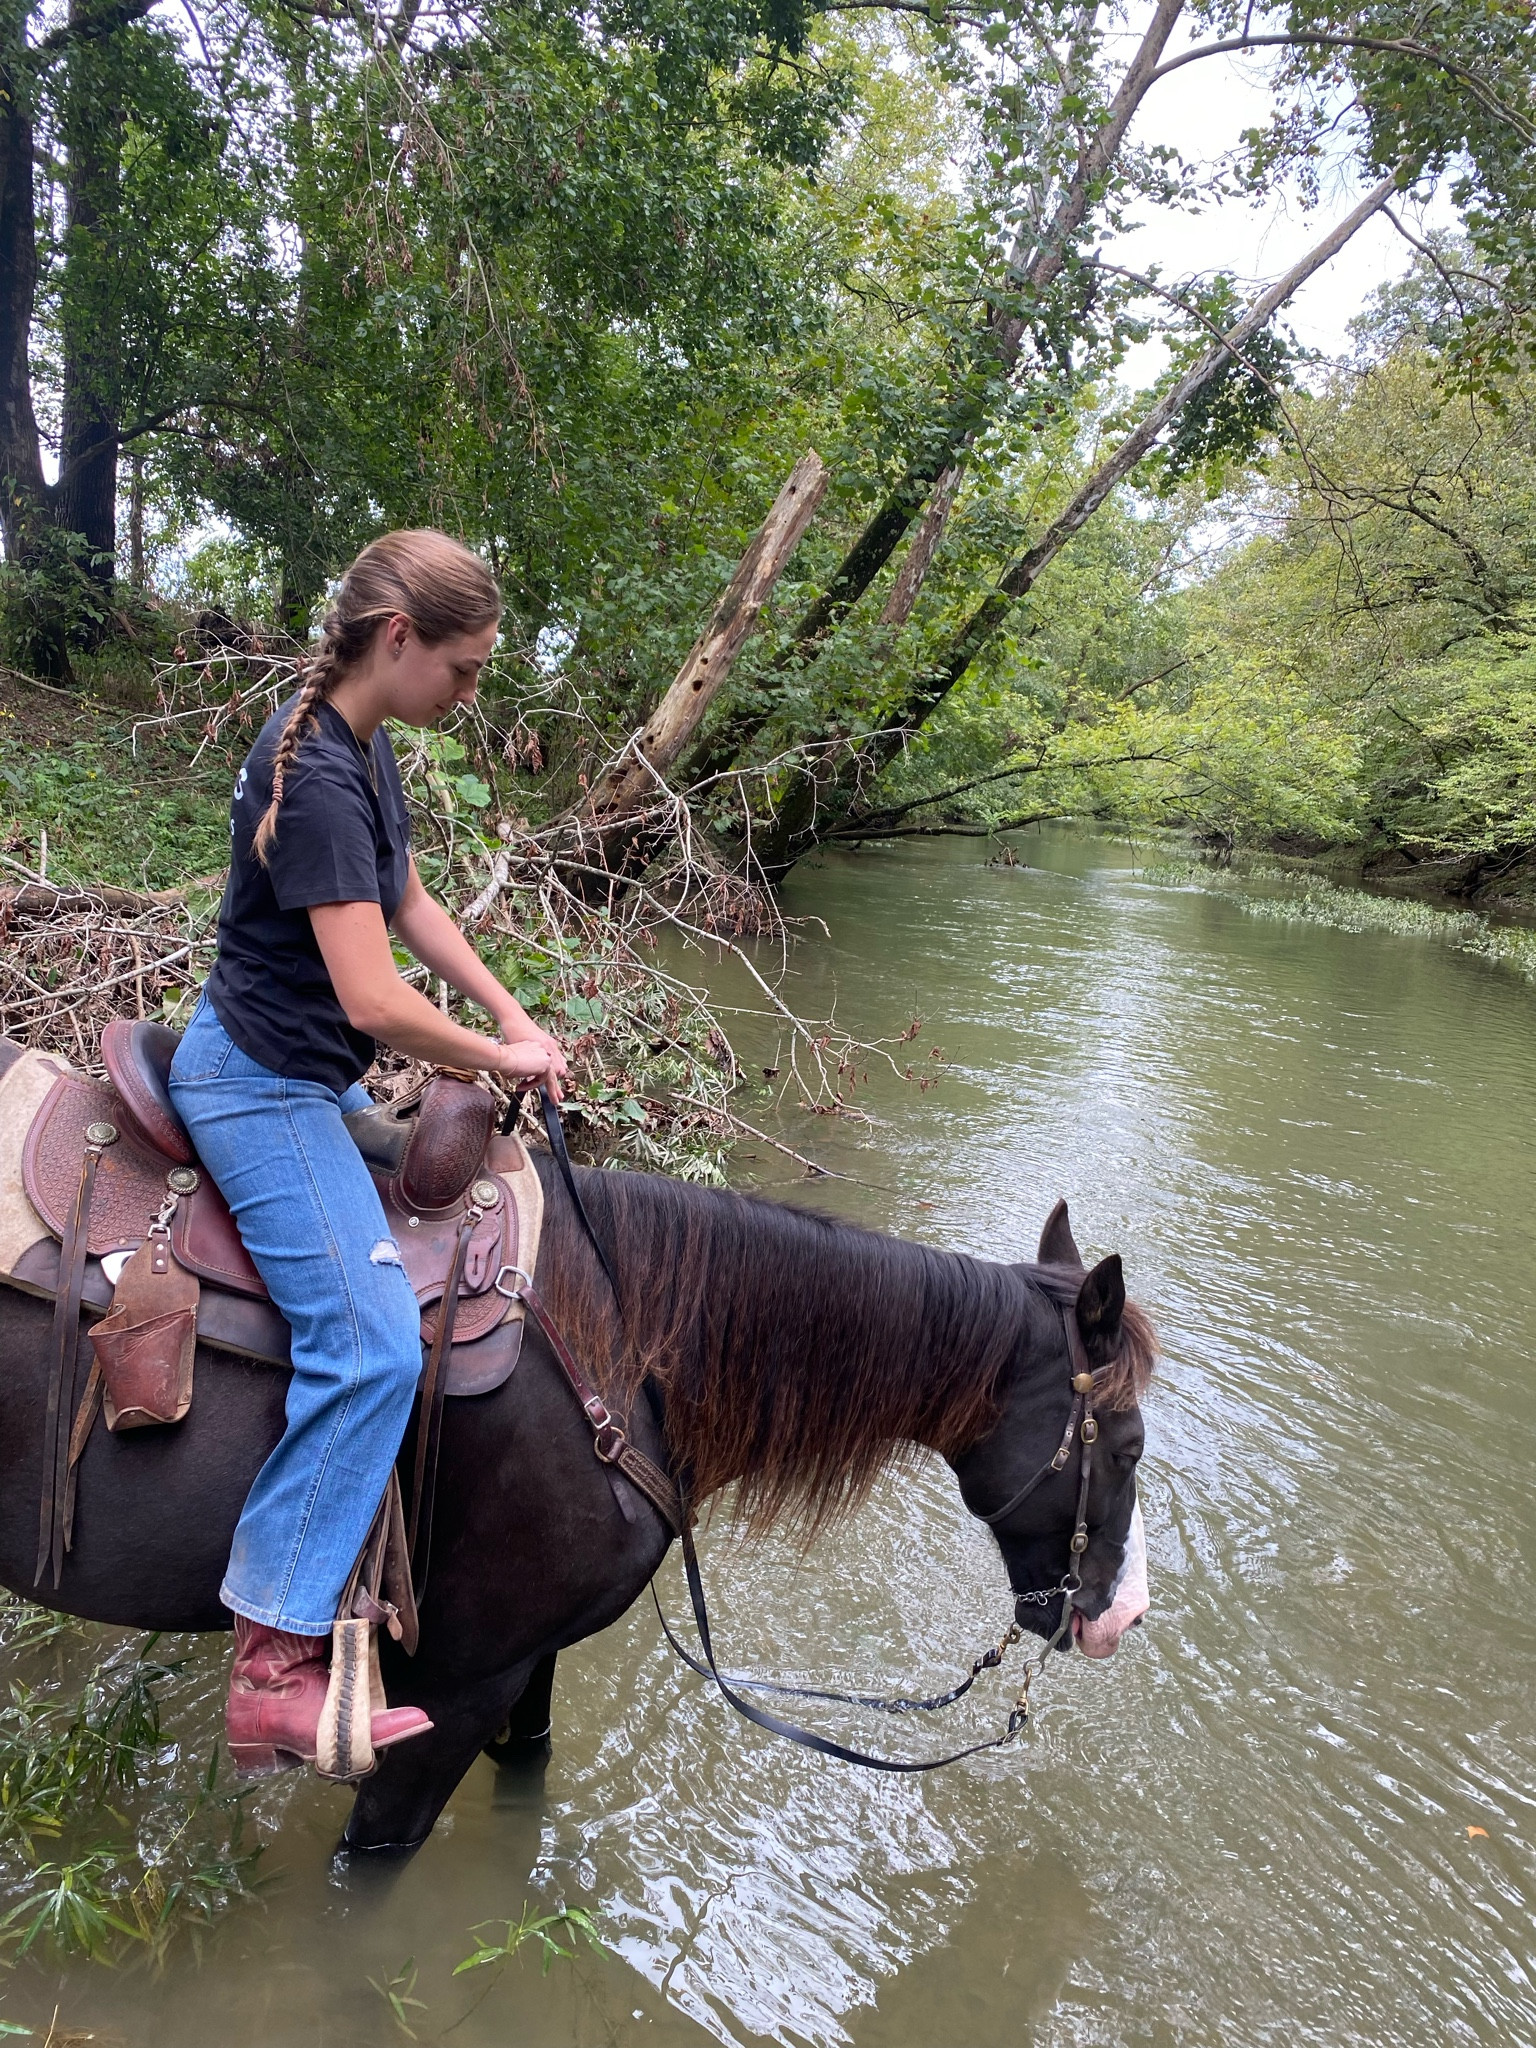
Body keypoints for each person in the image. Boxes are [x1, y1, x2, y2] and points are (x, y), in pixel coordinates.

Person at [168, 529, 567, 1777]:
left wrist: (511, 1010)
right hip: (264, 1086)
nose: (467, 694)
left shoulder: (357, 743)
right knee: (373, 1342)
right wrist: (496, 1061)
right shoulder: (323, 777)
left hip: (298, 1068)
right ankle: (272, 1661)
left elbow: (408, 905)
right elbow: (373, 998)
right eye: (462, 669)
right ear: (399, 640)